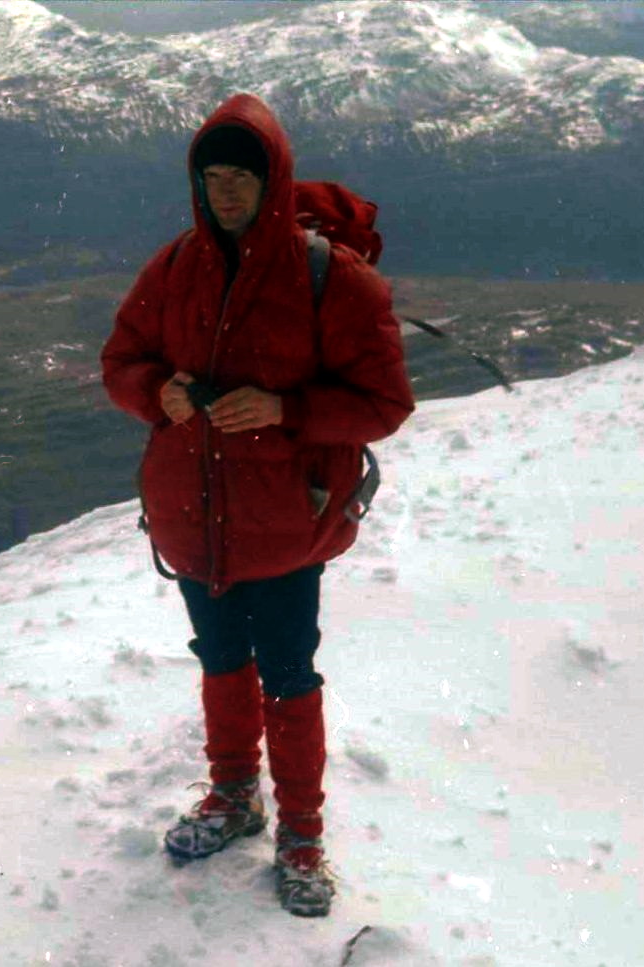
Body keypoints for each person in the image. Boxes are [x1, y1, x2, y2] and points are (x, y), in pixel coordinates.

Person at [100, 93, 415, 918]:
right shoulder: (174, 268)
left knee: (287, 671)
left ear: (272, 178)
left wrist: (286, 410)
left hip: (283, 521)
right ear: (196, 184)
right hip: (194, 516)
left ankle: (302, 833)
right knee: (219, 658)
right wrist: (156, 390)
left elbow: (384, 401)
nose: (227, 190)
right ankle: (236, 794)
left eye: (243, 174)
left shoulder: (330, 278)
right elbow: (120, 361)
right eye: (214, 176)